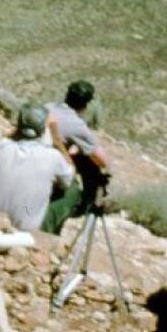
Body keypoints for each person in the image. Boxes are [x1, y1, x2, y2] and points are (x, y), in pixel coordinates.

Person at [0, 103, 75, 232]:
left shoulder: (2, 147)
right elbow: (69, 178)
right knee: (73, 189)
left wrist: (17, 130)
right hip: (26, 228)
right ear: (44, 130)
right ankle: (45, 232)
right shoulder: (54, 157)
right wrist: (57, 139)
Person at [42, 79, 110, 233]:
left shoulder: (47, 107)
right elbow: (102, 161)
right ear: (86, 105)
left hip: (28, 159)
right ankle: (45, 229)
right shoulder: (76, 125)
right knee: (73, 194)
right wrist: (80, 150)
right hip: (45, 168)